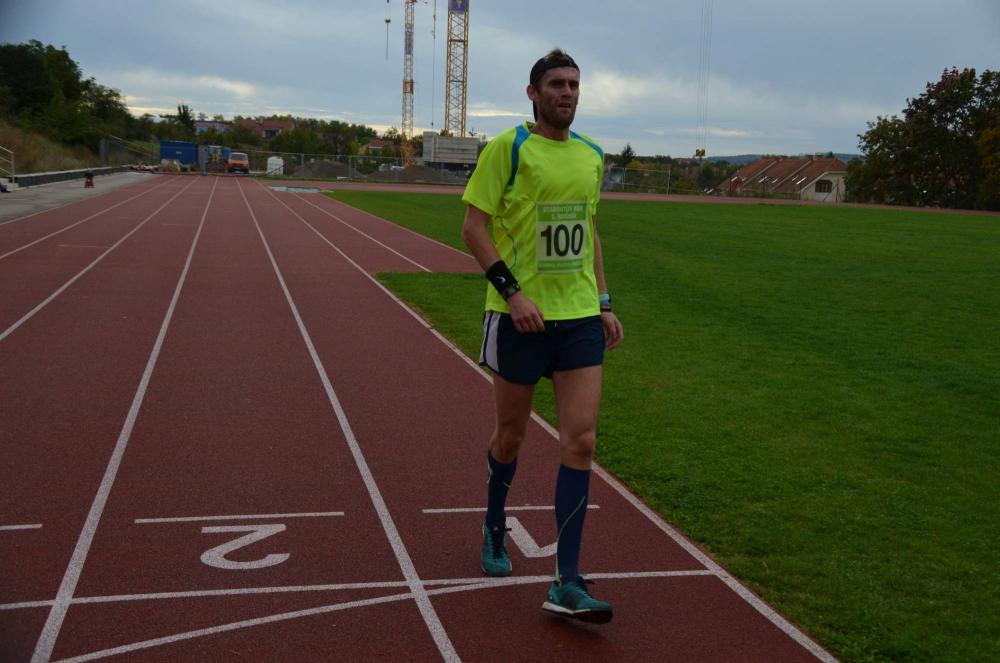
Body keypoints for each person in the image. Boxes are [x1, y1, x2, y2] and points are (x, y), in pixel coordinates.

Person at [460, 48, 623, 624]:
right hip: (518, 318)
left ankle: (567, 580)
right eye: (556, 84)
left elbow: (589, 231)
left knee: (581, 441)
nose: (567, 93)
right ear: (533, 93)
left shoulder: (591, 155)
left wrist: (603, 302)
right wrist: (513, 294)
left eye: (574, 84)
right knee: (511, 436)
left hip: (577, 318)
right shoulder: (509, 149)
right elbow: (473, 227)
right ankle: (493, 523)